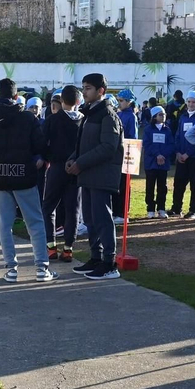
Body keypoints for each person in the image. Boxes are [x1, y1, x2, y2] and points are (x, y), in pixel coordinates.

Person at [0, 79, 56, 283]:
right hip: (24, 176)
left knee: (4, 225)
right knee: (35, 222)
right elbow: (40, 144)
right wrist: (39, 158)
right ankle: (41, 267)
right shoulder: (27, 118)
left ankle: (11, 268)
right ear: (16, 96)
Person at [67, 73, 123, 280]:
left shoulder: (108, 115)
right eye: (83, 87)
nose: (84, 91)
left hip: (102, 175)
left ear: (101, 91)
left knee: (102, 218)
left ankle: (109, 263)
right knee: (90, 219)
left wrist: (80, 163)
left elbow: (109, 147)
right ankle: (96, 257)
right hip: (89, 174)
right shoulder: (90, 113)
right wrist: (73, 159)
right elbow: (83, 143)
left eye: (88, 88)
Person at [43, 84, 83, 262]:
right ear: (78, 101)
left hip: (57, 167)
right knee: (72, 209)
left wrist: (48, 157)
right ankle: (68, 249)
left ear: (60, 100)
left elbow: (43, 143)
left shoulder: (52, 119)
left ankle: (51, 246)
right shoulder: (84, 121)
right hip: (76, 168)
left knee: (49, 207)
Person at [169, 92, 195, 220]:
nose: (191, 104)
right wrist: (178, 152)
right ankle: (176, 208)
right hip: (181, 156)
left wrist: (187, 154)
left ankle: (194, 210)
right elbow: (178, 135)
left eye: (193, 102)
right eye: (189, 101)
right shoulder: (183, 116)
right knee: (179, 183)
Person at [142, 105, 173, 219]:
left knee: (162, 187)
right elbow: (147, 144)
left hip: (163, 163)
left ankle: (161, 208)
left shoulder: (167, 129)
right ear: (154, 117)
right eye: (160, 114)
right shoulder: (148, 130)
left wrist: (163, 155)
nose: (163, 116)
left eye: (164, 114)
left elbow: (171, 145)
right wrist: (157, 155)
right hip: (151, 163)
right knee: (150, 186)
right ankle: (150, 209)